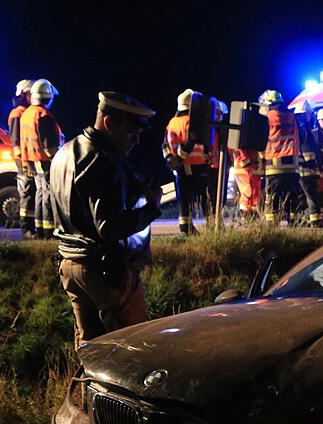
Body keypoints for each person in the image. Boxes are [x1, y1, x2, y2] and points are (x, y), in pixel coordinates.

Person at [51, 91, 160, 349]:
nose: (136, 141)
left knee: (90, 349)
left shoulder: (65, 151)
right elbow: (110, 228)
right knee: (131, 348)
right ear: (109, 122)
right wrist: (151, 208)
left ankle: (85, 390)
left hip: (70, 265)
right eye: (132, 132)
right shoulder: (103, 160)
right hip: (104, 271)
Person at [20, 79, 64, 237]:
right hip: (44, 160)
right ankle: (48, 231)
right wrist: (59, 159)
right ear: (48, 98)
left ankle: (39, 228)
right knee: (48, 194)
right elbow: (50, 146)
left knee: (40, 193)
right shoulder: (44, 115)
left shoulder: (27, 113)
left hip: (31, 160)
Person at [163, 89, 209, 234]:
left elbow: (164, 145)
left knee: (184, 199)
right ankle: (213, 225)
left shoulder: (172, 122)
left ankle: (185, 228)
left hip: (179, 169)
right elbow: (191, 141)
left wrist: (170, 158)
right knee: (204, 198)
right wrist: (180, 157)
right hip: (196, 166)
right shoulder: (191, 122)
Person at [259, 89, 301, 225]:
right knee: (292, 198)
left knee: (273, 198)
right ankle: (294, 224)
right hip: (293, 166)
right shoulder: (292, 117)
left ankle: (272, 226)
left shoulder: (268, 118)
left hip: (274, 166)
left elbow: (261, 139)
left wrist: (261, 156)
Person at [7, 79, 35, 236]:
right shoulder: (18, 113)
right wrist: (24, 165)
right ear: (24, 95)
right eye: (31, 93)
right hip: (24, 161)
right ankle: (26, 228)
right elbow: (16, 143)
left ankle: (31, 227)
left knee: (32, 193)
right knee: (27, 192)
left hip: (30, 159)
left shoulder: (27, 112)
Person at [295, 101, 322, 225]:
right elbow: (306, 148)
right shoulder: (304, 128)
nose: (311, 116)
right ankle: (315, 220)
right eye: (310, 114)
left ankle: (301, 219)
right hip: (306, 168)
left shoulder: (295, 126)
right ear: (305, 113)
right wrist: (312, 164)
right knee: (312, 195)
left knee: (301, 196)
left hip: (297, 168)